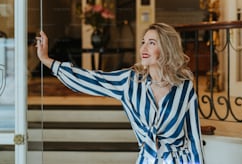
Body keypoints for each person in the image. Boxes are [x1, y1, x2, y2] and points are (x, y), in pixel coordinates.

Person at [36, 23, 205, 164]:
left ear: (167, 48)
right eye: (143, 42)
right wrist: (47, 60)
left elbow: (194, 139)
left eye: (152, 43)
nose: (143, 48)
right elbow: (93, 79)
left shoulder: (185, 88)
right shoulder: (130, 82)